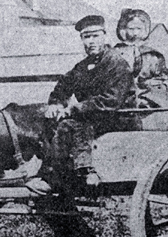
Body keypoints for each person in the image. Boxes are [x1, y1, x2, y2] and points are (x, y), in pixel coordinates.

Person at [27, 15, 132, 194]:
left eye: (95, 36)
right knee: (50, 120)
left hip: (118, 119)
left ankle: (61, 178)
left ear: (105, 37)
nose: (91, 41)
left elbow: (111, 100)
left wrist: (73, 108)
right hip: (94, 118)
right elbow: (63, 86)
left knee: (69, 125)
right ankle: (60, 170)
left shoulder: (117, 64)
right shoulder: (82, 67)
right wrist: (55, 104)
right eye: (86, 37)